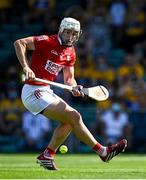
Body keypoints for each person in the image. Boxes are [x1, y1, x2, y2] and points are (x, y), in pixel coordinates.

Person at [14, 17, 127, 170]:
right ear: (61, 30)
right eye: (67, 32)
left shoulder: (71, 52)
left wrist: (74, 87)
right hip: (33, 91)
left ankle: (47, 155)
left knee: (69, 121)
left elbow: (69, 79)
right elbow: (19, 43)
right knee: (75, 117)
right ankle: (102, 151)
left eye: (74, 34)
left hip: (46, 90)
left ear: (78, 34)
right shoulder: (47, 41)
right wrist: (26, 67)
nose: (70, 37)